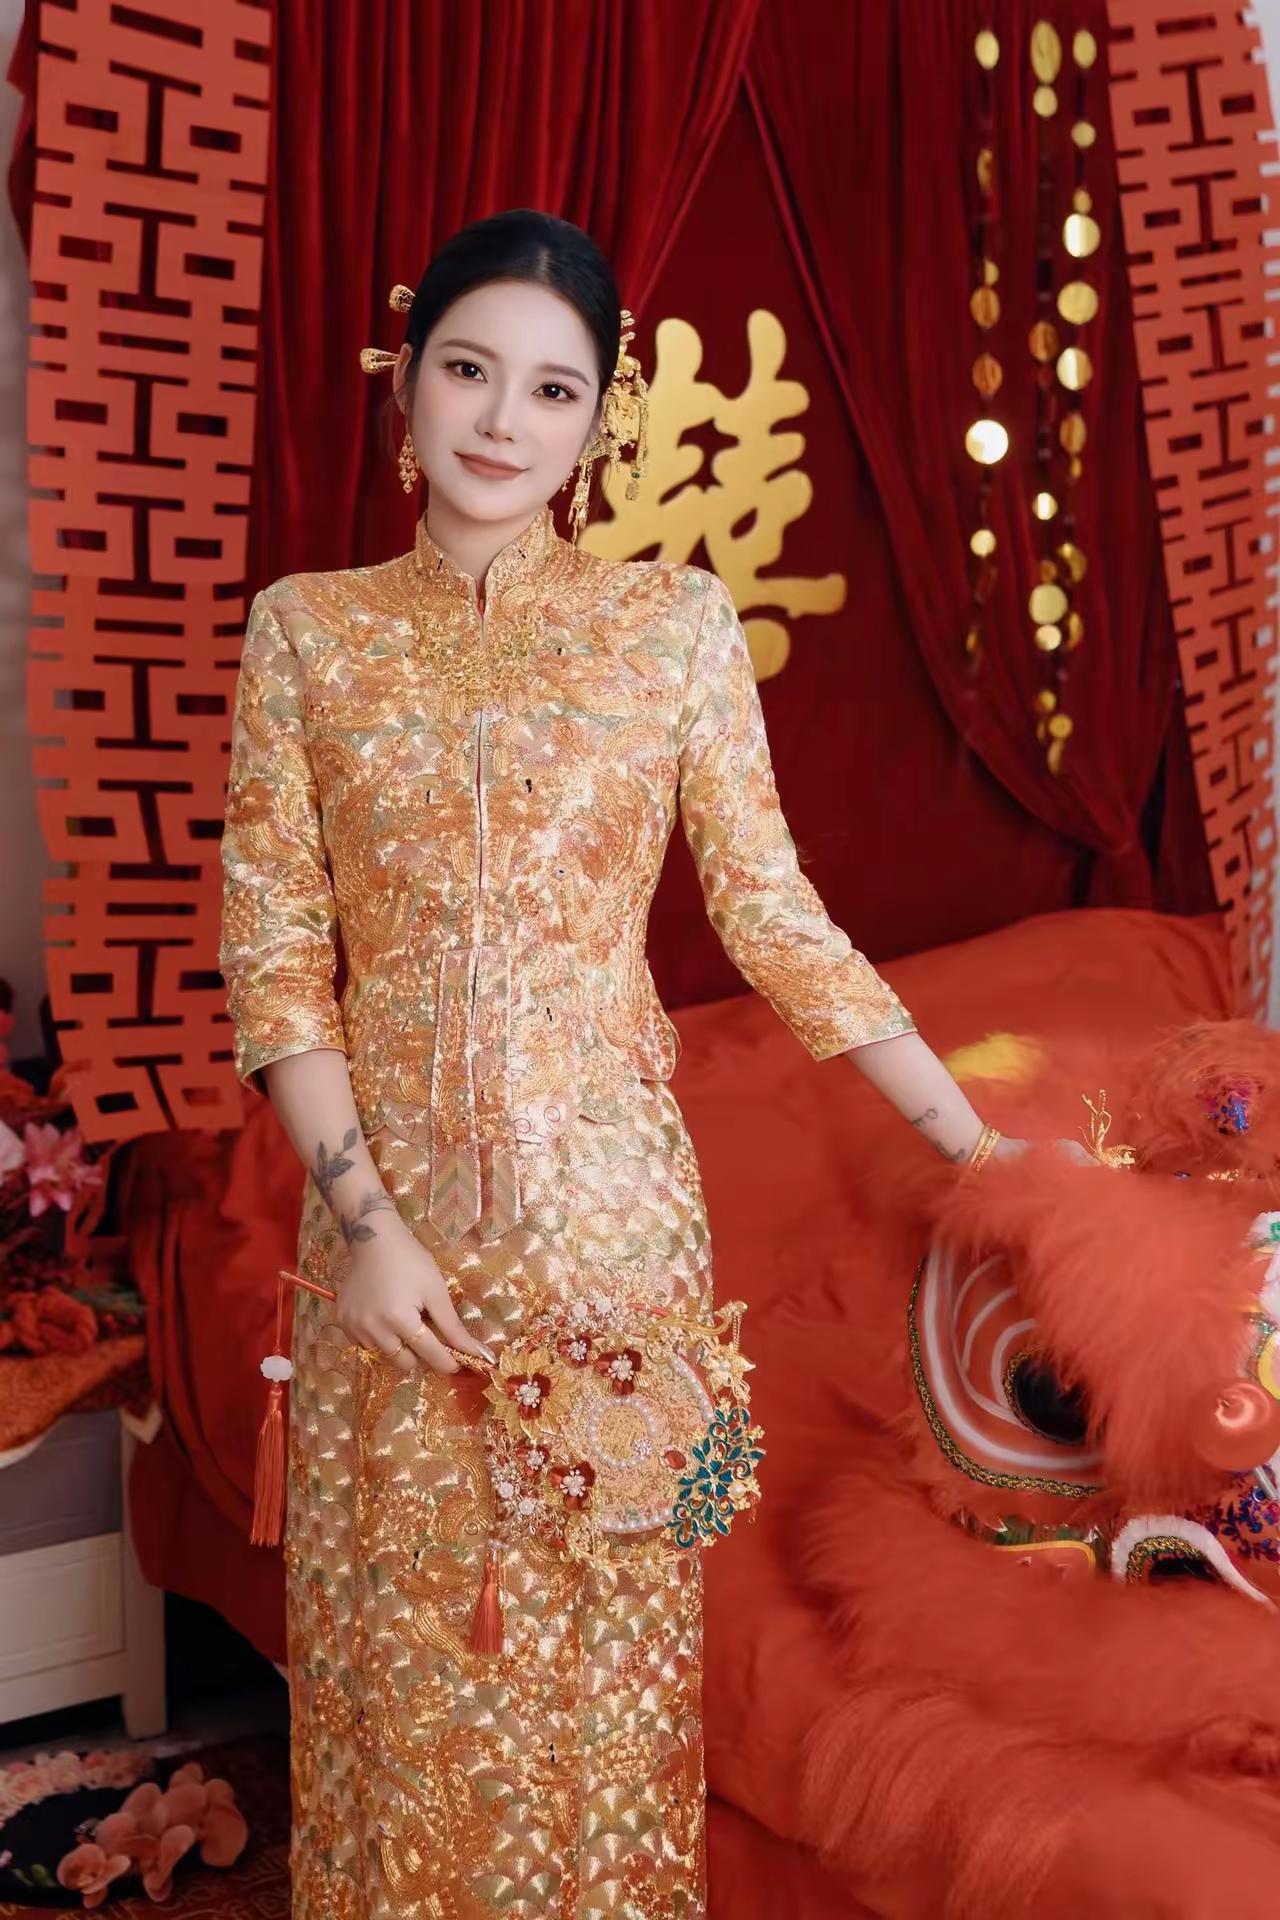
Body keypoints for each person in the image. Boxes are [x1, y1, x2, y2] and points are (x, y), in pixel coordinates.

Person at [220, 207, 1024, 1919]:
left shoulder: (671, 627)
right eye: (468, 370)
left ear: (604, 421)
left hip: (615, 1247)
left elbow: (775, 918)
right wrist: (365, 1225)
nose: (502, 419)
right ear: (404, 382)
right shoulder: (307, 634)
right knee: (408, 1685)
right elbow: (278, 965)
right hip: (394, 1253)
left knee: (604, 1686)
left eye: (552, 388)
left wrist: (976, 1144)